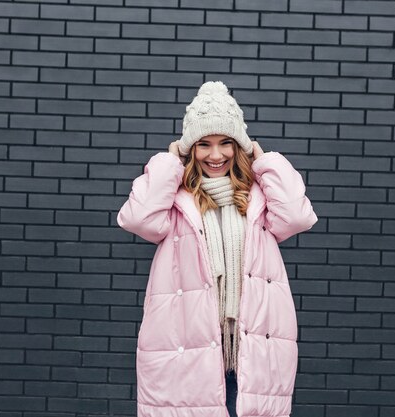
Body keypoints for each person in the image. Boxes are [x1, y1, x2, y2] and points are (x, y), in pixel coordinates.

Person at [117, 80, 318, 417]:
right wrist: (170, 161)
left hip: (250, 353)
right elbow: (138, 218)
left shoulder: (258, 199)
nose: (215, 155)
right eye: (203, 144)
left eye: (226, 142)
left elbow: (298, 216)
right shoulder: (177, 201)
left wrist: (263, 159)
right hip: (190, 356)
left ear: (239, 146)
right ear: (189, 149)